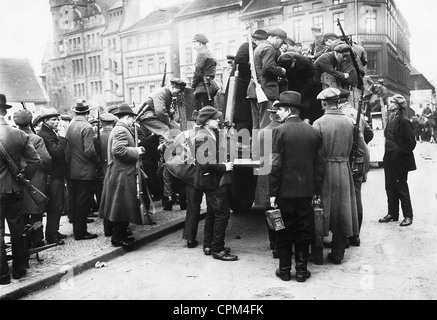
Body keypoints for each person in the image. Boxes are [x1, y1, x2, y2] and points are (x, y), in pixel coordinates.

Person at [269, 91, 321, 282]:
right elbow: (319, 165)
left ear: (288, 110)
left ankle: (284, 271)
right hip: (306, 191)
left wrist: (272, 192)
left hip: (284, 191)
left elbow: (275, 164)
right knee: (303, 229)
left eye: (280, 110)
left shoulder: (279, 131)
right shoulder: (314, 132)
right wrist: (316, 190)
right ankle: (301, 271)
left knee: (283, 229)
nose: (277, 114)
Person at [312, 88, 359, 265]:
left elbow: (315, 152)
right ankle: (338, 254)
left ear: (324, 103)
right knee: (343, 211)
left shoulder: (318, 123)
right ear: (338, 102)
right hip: (344, 169)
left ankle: (317, 255)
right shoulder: (349, 122)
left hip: (325, 171)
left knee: (320, 211)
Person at [0, 94, 40, 285]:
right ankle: (18, 269)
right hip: (15, 189)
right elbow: (35, 160)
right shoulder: (19, 134)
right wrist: (23, 177)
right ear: (5, 111)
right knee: (17, 228)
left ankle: (2, 275)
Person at [194, 106, 238, 261]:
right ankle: (218, 249)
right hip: (211, 181)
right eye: (215, 118)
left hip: (209, 180)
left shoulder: (208, 133)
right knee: (223, 213)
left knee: (212, 213)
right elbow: (205, 163)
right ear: (206, 121)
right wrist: (224, 166)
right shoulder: (203, 136)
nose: (218, 120)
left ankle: (208, 245)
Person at [99, 103, 146, 250]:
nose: (133, 121)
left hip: (121, 173)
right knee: (122, 208)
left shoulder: (120, 128)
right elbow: (118, 150)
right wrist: (136, 151)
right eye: (132, 118)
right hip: (123, 174)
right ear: (127, 117)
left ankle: (121, 235)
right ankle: (118, 238)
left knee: (121, 207)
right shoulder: (121, 130)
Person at [337, 89, 374, 247]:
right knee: (357, 196)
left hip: (350, 159)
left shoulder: (342, 115)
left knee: (345, 198)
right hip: (360, 158)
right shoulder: (355, 112)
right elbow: (369, 134)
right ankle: (355, 236)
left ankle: (346, 236)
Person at [13, 109, 52, 248]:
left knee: (22, 213)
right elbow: (46, 159)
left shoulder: (12, 136)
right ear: (30, 122)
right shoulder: (36, 139)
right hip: (36, 179)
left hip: (17, 179)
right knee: (36, 212)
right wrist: (48, 172)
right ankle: (37, 239)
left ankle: (24, 240)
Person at [378, 95, 416, 227]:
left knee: (401, 187)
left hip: (399, 160)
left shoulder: (404, 120)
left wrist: (397, 153)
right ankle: (392, 213)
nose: (390, 104)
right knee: (390, 186)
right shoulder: (391, 118)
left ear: (398, 105)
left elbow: (411, 143)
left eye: (392, 102)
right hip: (389, 158)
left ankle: (408, 216)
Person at [65, 99, 98, 241]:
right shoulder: (87, 127)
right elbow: (89, 151)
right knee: (84, 203)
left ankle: (78, 231)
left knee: (77, 201)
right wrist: (97, 162)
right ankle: (81, 232)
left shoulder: (71, 125)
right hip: (85, 171)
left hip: (72, 170)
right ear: (88, 112)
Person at [38, 106, 68, 245]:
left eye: (58, 119)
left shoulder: (49, 132)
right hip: (53, 175)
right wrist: (62, 137)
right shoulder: (45, 134)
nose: (57, 122)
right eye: (54, 119)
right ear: (45, 120)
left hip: (56, 174)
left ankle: (53, 230)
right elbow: (56, 152)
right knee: (56, 204)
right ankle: (51, 236)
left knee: (57, 204)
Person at [228, 29, 268, 132]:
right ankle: (242, 142)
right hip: (241, 85)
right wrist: (253, 74)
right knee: (242, 115)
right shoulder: (246, 46)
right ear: (256, 40)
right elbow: (240, 61)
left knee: (247, 115)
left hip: (247, 85)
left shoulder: (255, 48)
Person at [252, 28, 287, 130]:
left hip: (255, 89)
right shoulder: (269, 48)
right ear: (277, 38)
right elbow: (268, 66)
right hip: (266, 90)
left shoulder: (260, 47)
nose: (281, 45)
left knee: (256, 124)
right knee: (267, 122)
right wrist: (281, 71)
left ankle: (257, 146)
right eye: (281, 42)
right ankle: (266, 146)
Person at [278, 51, 323, 124]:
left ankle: (309, 120)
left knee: (310, 106)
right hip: (296, 85)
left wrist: (301, 95)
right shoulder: (275, 130)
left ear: (294, 61)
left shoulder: (305, 62)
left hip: (310, 88)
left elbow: (312, 81)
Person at [191, 34, 218, 113]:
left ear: (199, 43)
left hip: (202, 88)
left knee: (202, 113)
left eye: (194, 43)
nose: (194, 46)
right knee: (209, 111)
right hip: (210, 86)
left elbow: (198, 71)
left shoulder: (201, 53)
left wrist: (193, 85)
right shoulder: (209, 52)